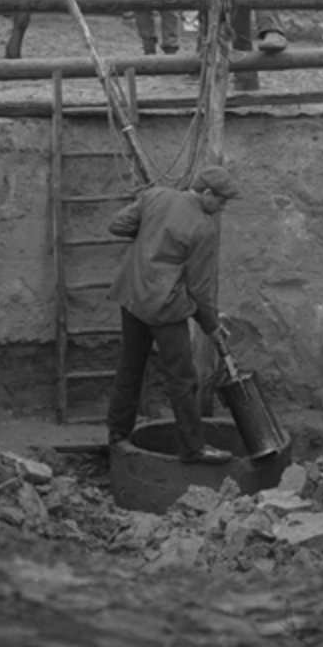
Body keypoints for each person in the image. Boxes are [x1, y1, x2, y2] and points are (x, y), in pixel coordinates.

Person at [106, 166, 242, 465]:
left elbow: (117, 225)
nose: (223, 207)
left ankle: (117, 434)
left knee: (130, 367)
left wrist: (149, 238)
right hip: (165, 308)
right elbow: (200, 288)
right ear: (207, 193)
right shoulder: (204, 228)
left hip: (133, 296)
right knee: (183, 379)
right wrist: (212, 326)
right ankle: (193, 448)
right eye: (221, 201)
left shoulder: (155, 196)